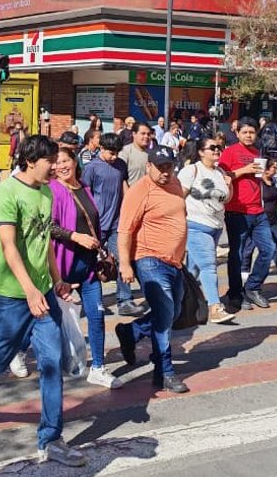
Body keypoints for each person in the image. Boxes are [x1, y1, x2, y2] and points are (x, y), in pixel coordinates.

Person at [0, 135, 85, 468]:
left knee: (51, 363)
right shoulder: (7, 192)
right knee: (0, 357)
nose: (56, 166)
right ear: (30, 161)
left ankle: (51, 438)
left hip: (42, 295)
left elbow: (45, 242)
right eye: (50, 161)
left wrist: (56, 281)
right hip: (11, 295)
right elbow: (9, 247)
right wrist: (28, 289)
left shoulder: (46, 192)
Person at [115, 146, 190, 393]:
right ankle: (165, 371)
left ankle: (132, 331)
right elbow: (124, 230)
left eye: (170, 166)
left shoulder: (176, 184)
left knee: (172, 312)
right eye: (161, 167)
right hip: (149, 261)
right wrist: (125, 265)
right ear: (149, 167)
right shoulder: (139, 191)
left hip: (174, 262)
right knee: (165, 313)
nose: (166, 172)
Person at [48, 147, 119, 388]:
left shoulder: (85, 189)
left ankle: (98, 366)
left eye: (65, 160)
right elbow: (50, 226)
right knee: (49, 319)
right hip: (62, 266)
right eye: (56, 162)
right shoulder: (53, 190)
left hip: (88, 267)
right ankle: (20, 351)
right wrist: (76, 237)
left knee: (97, 314)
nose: (61, 166)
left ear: (75, 162)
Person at [218, 118, 276, 312]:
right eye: (245, 133)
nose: (249, 136)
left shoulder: (257, 152)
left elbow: (258, 179)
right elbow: (223, 177)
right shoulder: (229, 152)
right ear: (237, 133)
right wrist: (245, 169)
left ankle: (252, 287)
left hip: (258, 210)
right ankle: (235, 293)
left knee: (269, 249)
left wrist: (266, 176)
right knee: (237, 254)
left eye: (252, 132)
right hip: (237, 211)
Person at [82, 132, 139, 318]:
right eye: (110, 153)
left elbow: (125, 187)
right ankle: (94, 300)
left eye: (116, 153)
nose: (114, 157)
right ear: (101, 149)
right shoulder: (91, 167)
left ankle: (125, 300)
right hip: (96, 226)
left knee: (124, 259)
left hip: (117, 223)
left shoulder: (120, 165)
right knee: (90, 264)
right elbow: (85, 195)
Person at [179, 135, 235, 324]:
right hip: (196, 225)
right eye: (212, 148)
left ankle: (176, 301)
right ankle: (215, 307)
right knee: (209, 266)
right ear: (201, 152)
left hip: (216, 226)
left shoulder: (219, 172)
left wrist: (229, 184)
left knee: (193, 270)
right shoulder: (191, 171)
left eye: (219, 147)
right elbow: (178, 197)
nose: (217, 150)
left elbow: (226, 199)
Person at [118, 121, 155, 186]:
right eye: (143, 133)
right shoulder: (125, 152)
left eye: (148, 134)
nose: (146, 136)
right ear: (134, 134)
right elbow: (121, 178)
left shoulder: (152, 154)